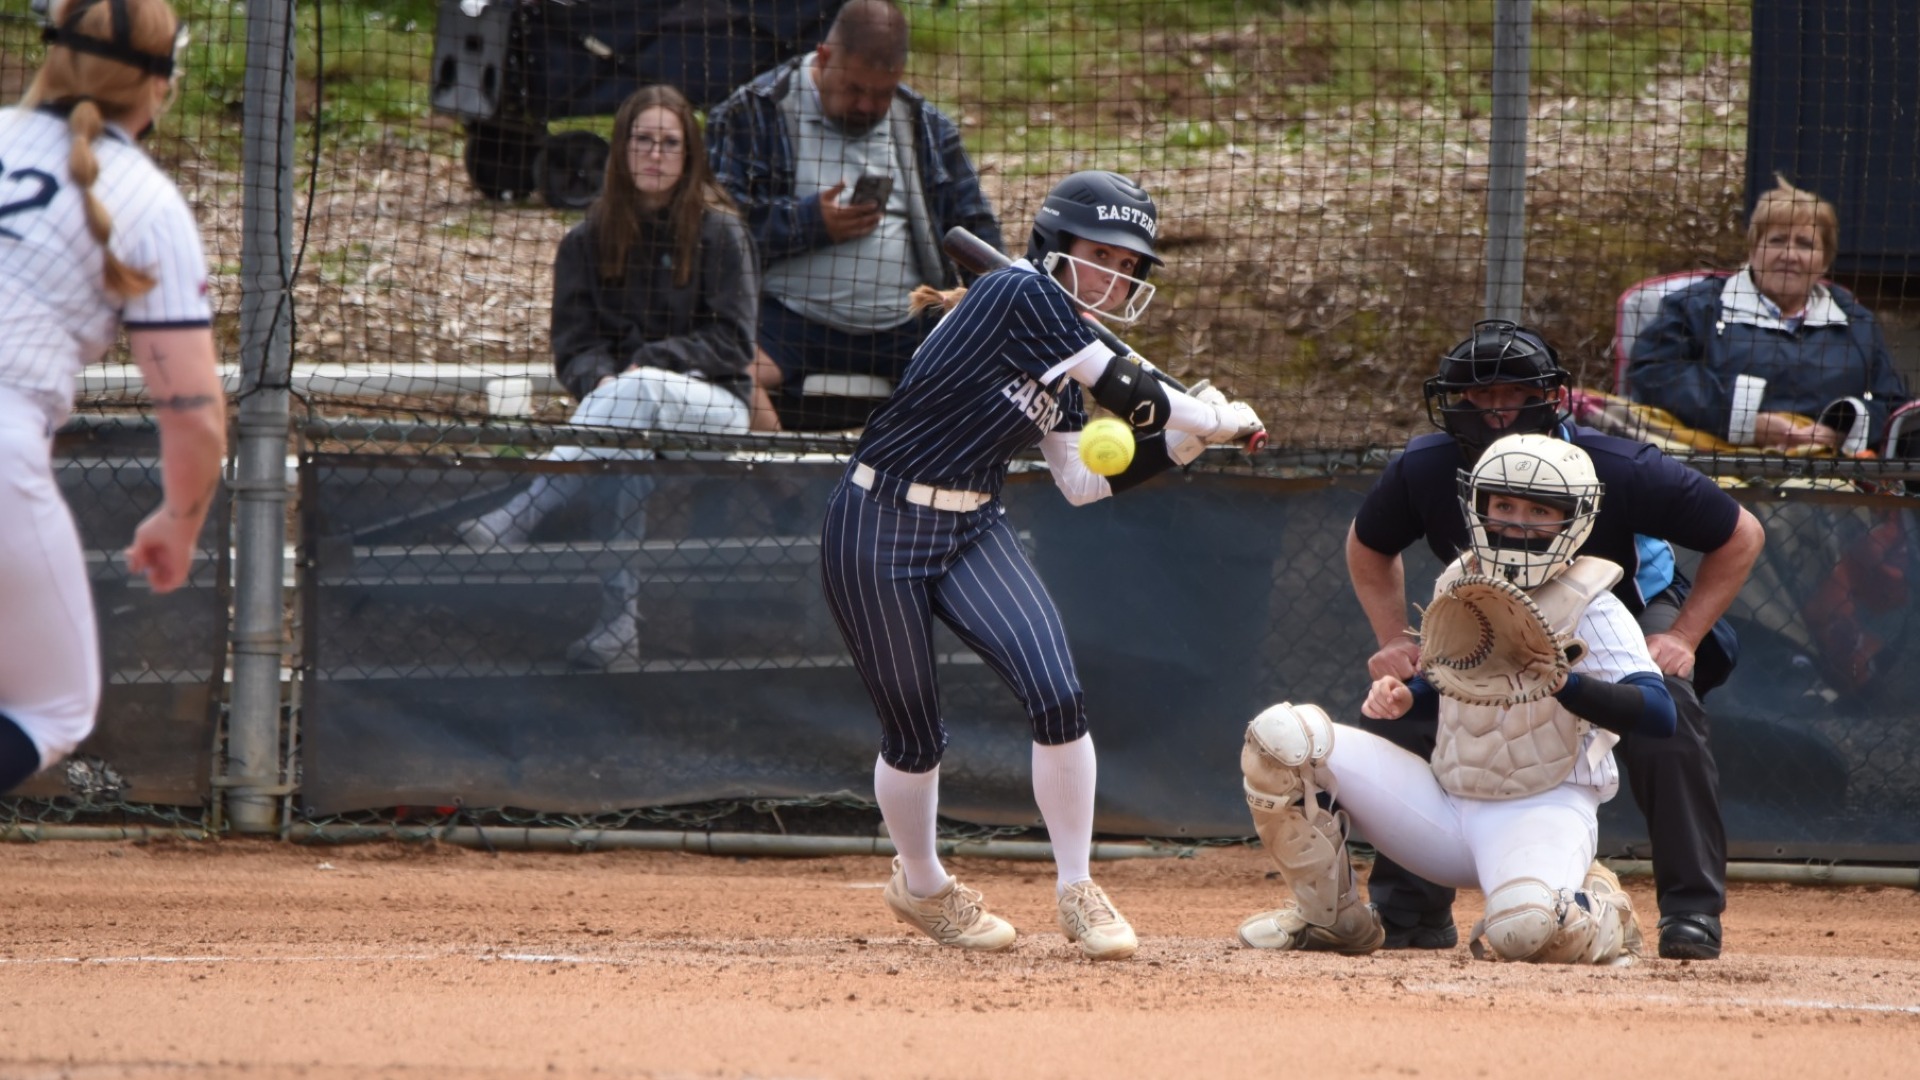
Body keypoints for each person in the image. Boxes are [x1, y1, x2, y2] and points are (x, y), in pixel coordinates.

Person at [819, 170, 1263, 960]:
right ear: (1055, 248)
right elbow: (1138, 395)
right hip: (875, 521)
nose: (1114, 276)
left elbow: (1082, 483)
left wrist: (1188, 441)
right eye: (1100, 255)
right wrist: (1216, 417)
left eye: (1128, 267)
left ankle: (1077, 888)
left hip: (970, 527)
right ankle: (922, 886)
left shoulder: (1065, 348)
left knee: (1057, 691)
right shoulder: (1018, 296)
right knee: (915, 727)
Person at [1345, 319, 1765, 960]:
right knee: (1414, 703)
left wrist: (1682, 635)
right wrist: (1392, 641)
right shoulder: (1428, 466)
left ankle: (1690, 910)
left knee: (1669, 711)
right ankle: (1412, 912)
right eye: (1478, 396)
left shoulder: (1621, 466)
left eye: (1511, 395)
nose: (1494, 411)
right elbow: (1368, 545)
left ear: (1549, 397)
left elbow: (1741, 534)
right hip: (1492, 615)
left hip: (1623, 605)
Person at [1239, 435, 1673, 963]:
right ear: (1478, 506)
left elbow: (1659, 714)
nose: (1517, 521)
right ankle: (1331, 921)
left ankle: (1600, 904)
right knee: (1281, 738)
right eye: (1504, 504)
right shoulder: (1462, 578)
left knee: (1524, 933)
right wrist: (1407, 697)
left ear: (1575, 517)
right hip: (1445, 802)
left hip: (1544, 808)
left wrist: (1568, 686)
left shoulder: (1594, 606)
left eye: (1540, 509)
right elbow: (1455, 683)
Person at [0, 0, 226, 794]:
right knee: (52, 710)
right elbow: (194, 418)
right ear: (160, 84)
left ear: (50, 55)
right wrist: (179, 519)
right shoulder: (144, 198)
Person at [456, 85, 759, 668]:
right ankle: (618, 626)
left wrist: (651, 364)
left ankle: (521, 511)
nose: (655, 154)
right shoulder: (584, 239)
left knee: (636, 391)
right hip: (618, 416)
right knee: (624, 458)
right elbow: (574, 346)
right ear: (621, 150)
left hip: (715, 407)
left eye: (670, 143)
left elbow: (733, 342)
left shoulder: (723, 234)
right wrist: (600, 380)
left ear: (689, 154)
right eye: (643, 140)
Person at [705, 0, 1004, 431]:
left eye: (881, 93)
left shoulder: (925, 126)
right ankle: (778, 484)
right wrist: (809, 224)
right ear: (825, 57)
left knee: (993, 385)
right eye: (855, 90)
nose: (867, 105)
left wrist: (1003, 305)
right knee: (717, 373)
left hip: (907, 322)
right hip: (786, 320)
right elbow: (714, 234)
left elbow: (978, 231)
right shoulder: (752, 113)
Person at [1627, 176, 1909, 455]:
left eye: (1804, 244)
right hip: (1707, 465)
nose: (1789, 254)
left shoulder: (1856, 324)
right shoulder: (1697, 306)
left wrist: (1840, 430)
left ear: (1825, 262)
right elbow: (1653, 372)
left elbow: (1894, 405)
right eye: (1776, 240)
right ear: (1753, 249)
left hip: (1827, 475)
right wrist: (1745, 421)